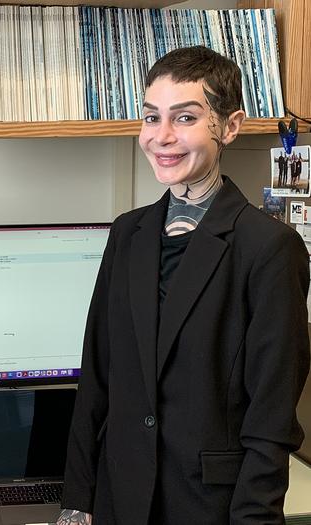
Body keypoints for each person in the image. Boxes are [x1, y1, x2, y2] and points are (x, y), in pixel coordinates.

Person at [58, 46, 309, 525]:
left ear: (229, 127)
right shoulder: (126, 234)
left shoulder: (269, 248)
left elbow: (272, 417)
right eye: (152, 118)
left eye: (185, 117)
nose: (162, 137)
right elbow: (97, 380)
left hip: (212, 505)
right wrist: (77, 501)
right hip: (120, 495)